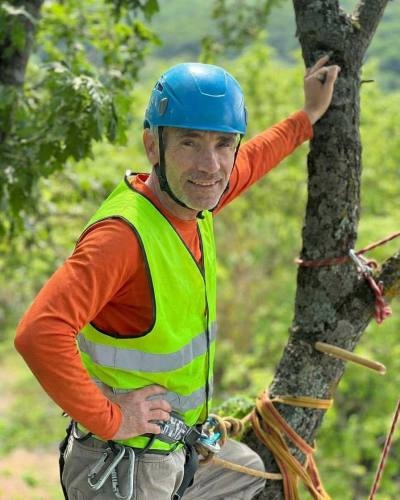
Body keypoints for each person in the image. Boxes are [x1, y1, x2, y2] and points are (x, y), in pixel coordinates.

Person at [15, 55, 340, 500]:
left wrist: (308, 115)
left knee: (249, 473)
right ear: (153, 146)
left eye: (223, 144)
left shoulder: (194, 203)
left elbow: (253, 160)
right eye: (189, 143)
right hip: (126, 467)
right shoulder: (122, 237)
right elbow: (38, 332)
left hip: (178, 448)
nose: (210, 165)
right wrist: (112, 418)